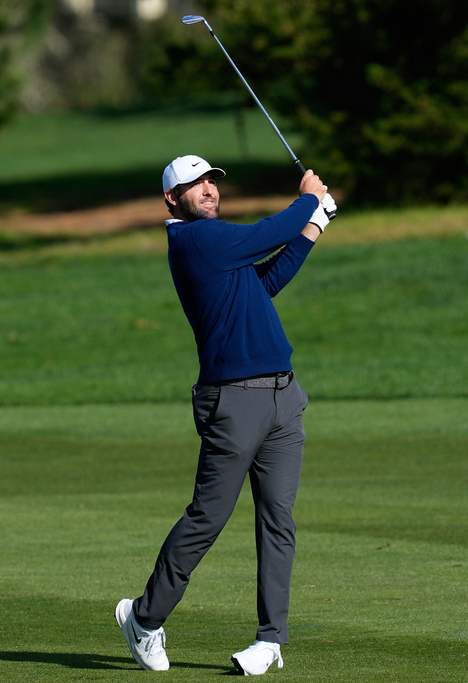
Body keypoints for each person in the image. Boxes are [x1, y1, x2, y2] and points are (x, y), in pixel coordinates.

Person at [115, 155, 336, 675]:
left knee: (278, 519)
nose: (208, 189)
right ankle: (143, 619)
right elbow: (266, 233)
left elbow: (268, 279)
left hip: (284, 395)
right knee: (208, 517)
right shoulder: (194, 242)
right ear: (173, 199)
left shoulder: (220, 251)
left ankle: (269, 640)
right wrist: (308, 198)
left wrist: (315, 224)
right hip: (232, 402)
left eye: (212, 181)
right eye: (194, 184)